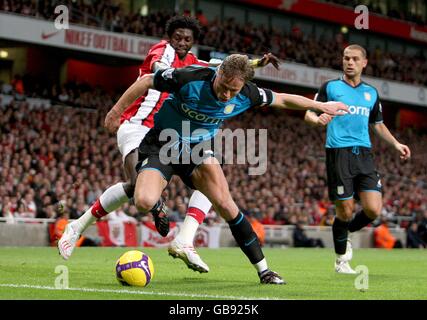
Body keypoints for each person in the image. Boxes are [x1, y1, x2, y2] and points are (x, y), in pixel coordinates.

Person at [58, 15, 280, 274]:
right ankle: (78, 226)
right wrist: (117, 110)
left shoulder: (195, 64)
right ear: (169, 37)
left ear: (193, 41)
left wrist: (257, 63)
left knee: (209, 176)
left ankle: (185, 238)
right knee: (135, 184)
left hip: (171, 132)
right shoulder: (162, 51)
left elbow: (224, 65)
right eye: (178, 37)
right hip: (138, 123)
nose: (182, 43)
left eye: (187, 39)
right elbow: (157, 70)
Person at [105, 54, 348, 284]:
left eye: (235, 90)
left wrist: (323, 106)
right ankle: (158, 202)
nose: (227, 94)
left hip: (197, 149)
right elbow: (147, 80)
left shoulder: (247, 94)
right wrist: (116, 112)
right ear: (218, 72)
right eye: (225, 86)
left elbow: (282, 98)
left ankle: (264, 271)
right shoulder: (191, 78)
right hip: (161, 144)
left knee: (227, 205)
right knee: (144, 201)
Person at [304, 44, 411, 273]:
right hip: (338, 153)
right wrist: (317, 120)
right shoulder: (330, 87)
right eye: (345, 58)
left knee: (373, 209)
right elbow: (309, 111)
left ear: (364, 63)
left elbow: (378, 125)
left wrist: (396, 144)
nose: (349, 62)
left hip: (364, 154)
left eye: (354, 59)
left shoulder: (371, 93)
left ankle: (347, 232)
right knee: (344, 210)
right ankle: (341, 260)